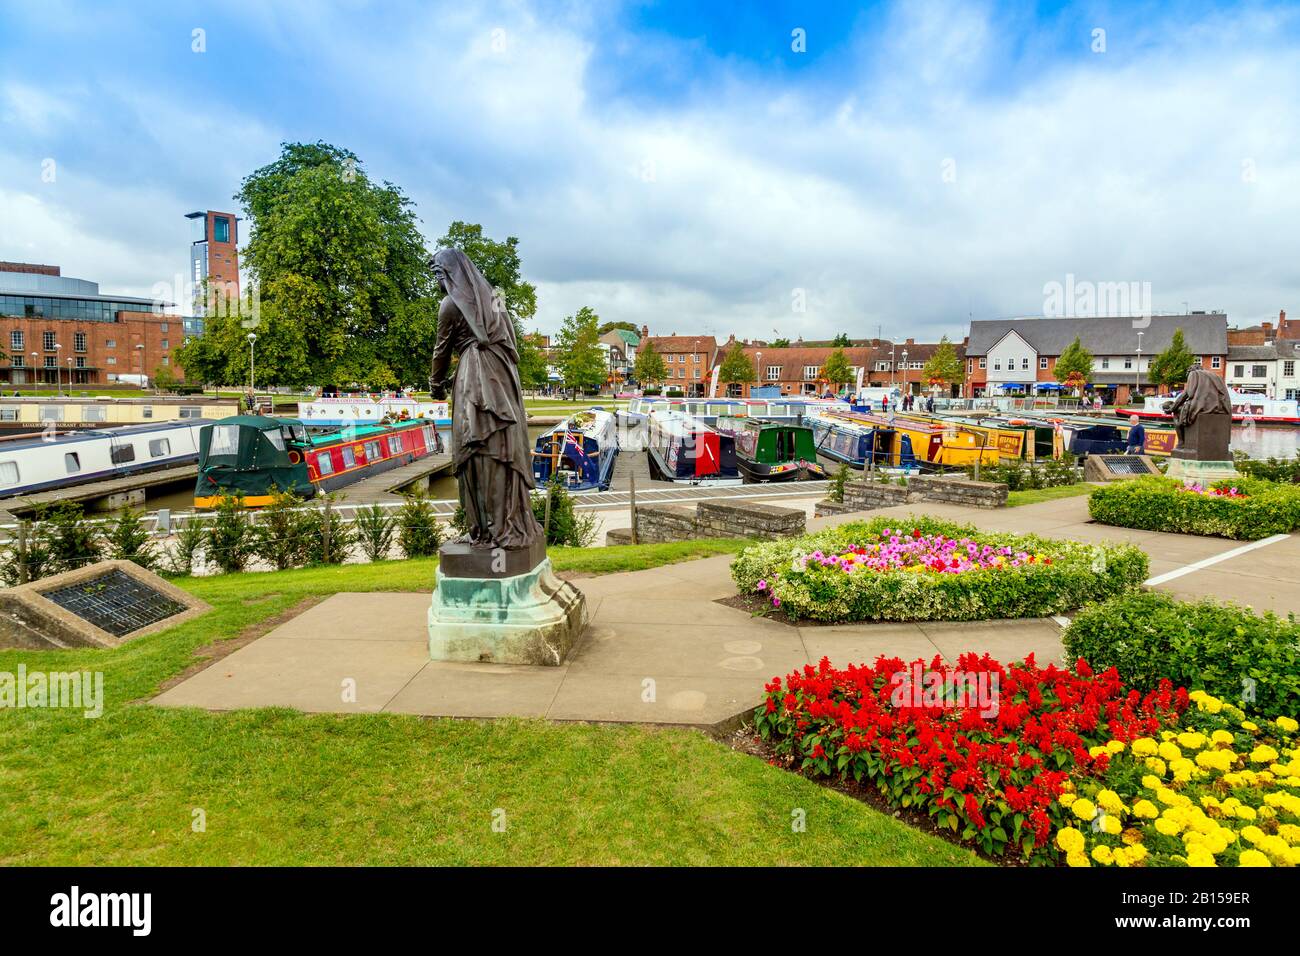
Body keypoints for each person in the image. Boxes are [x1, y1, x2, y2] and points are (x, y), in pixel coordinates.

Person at [428, 247, 542, 549]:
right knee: (501, 446)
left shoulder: (449, 304)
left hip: (473, 379)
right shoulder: (496, 297)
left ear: (451, 272)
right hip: (503, 377)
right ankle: (506, 523)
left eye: (439, 274)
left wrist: (435, 385)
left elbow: (441, 351)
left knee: (474, 448)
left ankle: (485, 529)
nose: (437, 283)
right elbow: (511, 339)